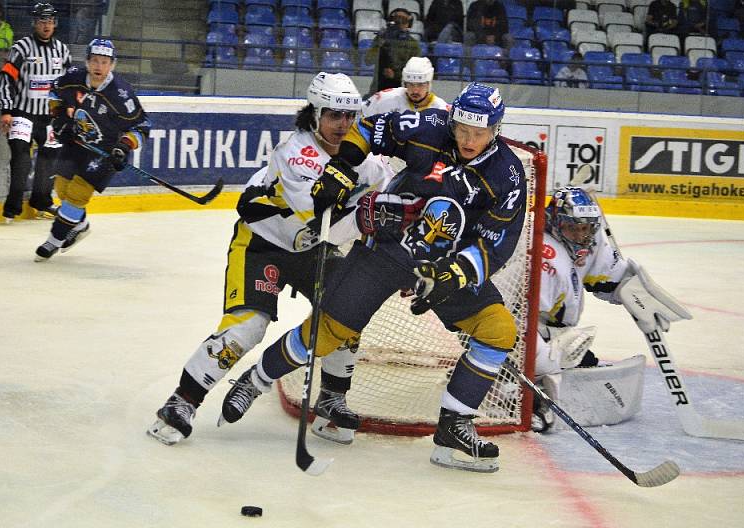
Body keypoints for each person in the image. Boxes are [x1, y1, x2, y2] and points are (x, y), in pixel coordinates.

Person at [219, 83, 528, 473]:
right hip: (385, 247)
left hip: (446, 265)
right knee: (328, 331)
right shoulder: (430, 125)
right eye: (462, 130)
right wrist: (340, 167)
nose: (468, 140)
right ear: (452, 121)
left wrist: (454, 274)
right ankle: (257, 379)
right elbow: (367, 130)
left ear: (496, 129)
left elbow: (495, 242)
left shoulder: (509, 175)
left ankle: (454, 427)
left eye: (478, 133)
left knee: (497, 330)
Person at [147, 72, 395, 446]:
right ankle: (181, 402)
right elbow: (322, 222)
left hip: (310, 249)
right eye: (333, 115)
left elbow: (386, 193)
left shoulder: (364, 159)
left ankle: (331, 400)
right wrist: (366, 216)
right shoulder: (296, 155)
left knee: (349, 309)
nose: (343, 125)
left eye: (350, 116)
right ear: (314, 115)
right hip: (263, 245)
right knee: (248, 326)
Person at [531, 186, 677, 432]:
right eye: (572, 228)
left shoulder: (588, 240)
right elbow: (519, 317)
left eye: (585, 228)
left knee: (582, 359)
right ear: (556, 224)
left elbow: (608, 276)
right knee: (549, 363)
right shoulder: (546, 255)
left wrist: (635, 294)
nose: (580, 235)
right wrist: (543, 359)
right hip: (525, 331)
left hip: (552, 331)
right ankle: (520, 394)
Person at [33, 38, 150, 261]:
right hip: (77, 141)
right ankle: (81, 224)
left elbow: (142, 126)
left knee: (77, 194)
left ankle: (53, 242)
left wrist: (124, 147)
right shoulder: (73, 78)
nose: (99, 66)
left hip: (105, 152)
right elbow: (54, 92)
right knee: (62, 188)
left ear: (112, 65)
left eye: (105, 62)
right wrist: (58, 119)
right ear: (87, 62)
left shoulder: (121, 94)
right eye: (95, 61)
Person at [0, 3, 70, 223]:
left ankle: (42, 202)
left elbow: (68, 84)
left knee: (49, 159)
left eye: (50, 21)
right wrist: (6, 110)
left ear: (55, 23)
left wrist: (67, 109)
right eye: (42, 21)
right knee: (21, 160)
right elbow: (5, 80)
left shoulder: (62, 51)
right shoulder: (21, 48)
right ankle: (12, 209)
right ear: (34, 23)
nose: (46, 26)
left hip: (50, 118)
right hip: (22, 114)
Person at [365, 8, 422, 94]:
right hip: (379, 88)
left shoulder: (413, 44)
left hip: (402, 89)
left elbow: (415, 70)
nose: (399, 24)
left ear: (408, 24)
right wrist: (379, 43)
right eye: (396, 20)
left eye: (403, 20)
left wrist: (395, 75)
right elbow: (368, 60)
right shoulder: (382, 38)